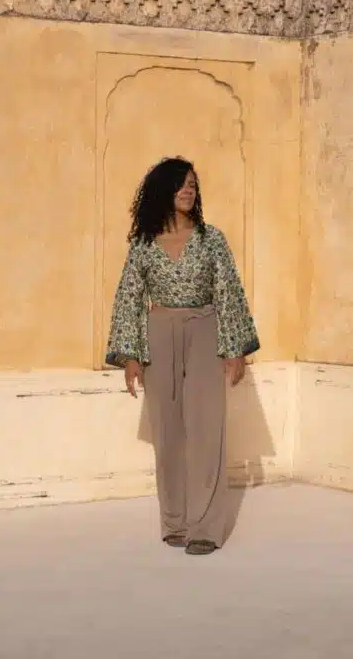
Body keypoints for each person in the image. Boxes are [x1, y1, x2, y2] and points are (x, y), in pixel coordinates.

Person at [105, 157, 259, 556]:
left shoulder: (212, 239)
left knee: (207, 428)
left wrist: (234, 350)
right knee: (168, 431)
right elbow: (129, 299)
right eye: (180, 185)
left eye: (192, 185)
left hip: (205, 329)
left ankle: (205, 527)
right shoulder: (143, 244)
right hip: (159, 333)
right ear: (164, 191)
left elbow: (228, 292)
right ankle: (174, 521)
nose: (188, 190)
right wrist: (131, 357)